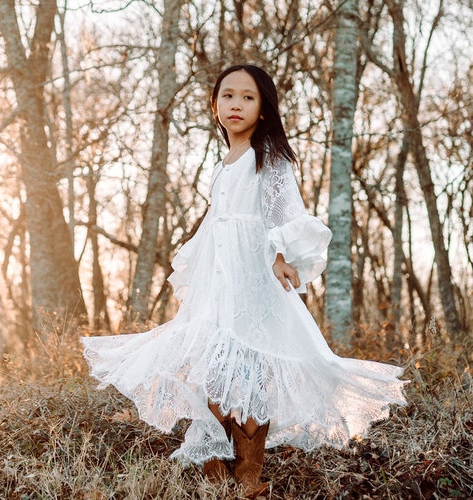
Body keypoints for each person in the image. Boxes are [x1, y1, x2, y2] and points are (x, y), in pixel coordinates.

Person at [82, 64, 408, 499]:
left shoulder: (267, 156)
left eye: (248, 97)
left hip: (253, 277)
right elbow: (218, 221)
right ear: (215, 105)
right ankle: (220, 466)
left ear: (263, 108)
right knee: (206, 372)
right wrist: (193, 261)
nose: (236, 104)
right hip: (219, 281)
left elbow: (283, 211)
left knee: (250, 371)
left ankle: (249, 477)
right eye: (228, 96)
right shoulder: (222, 164)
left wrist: (281, 256)